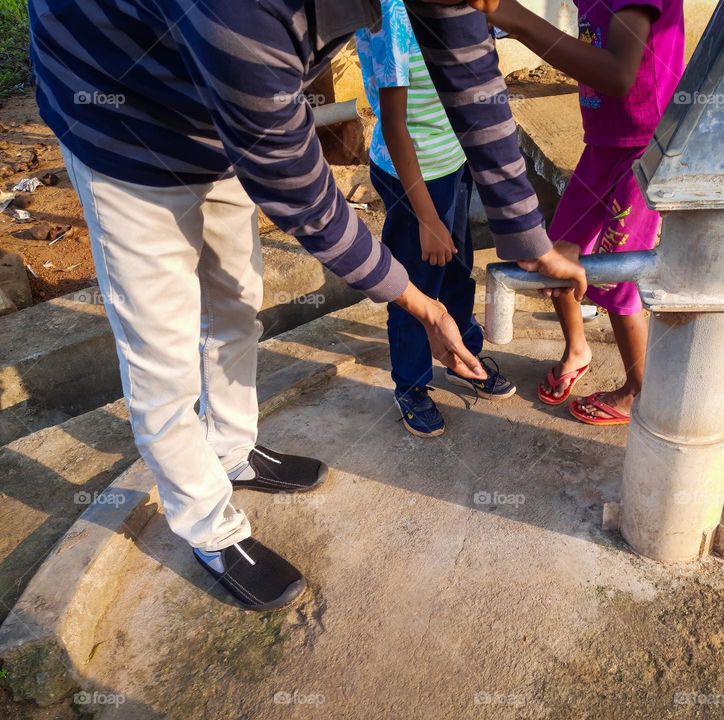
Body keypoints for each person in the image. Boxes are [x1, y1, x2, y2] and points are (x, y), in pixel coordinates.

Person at [27, 0, 582, 611]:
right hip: (119, 117)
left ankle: (232, 451)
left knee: (236, 304)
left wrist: (529, 240)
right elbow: (301, 192)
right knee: (161, 349)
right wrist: (421, 305)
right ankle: (208, 526)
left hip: (220, 102)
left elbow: (473, 79)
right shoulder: (245, 14)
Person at [479, 0, 685, 425]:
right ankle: (577, 349)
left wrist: (513, 17)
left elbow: (617, 73)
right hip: (604, 142)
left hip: (645, 147)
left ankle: (638, 390)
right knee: (554, 250)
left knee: (618, 276)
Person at [356, 0, 517, 439]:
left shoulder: (450, 7)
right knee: (414, 287)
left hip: (451, 163)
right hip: (413, 176)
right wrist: (427, 218)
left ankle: (462, 355)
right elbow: (394, 125)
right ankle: (410, 385)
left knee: (459, 269)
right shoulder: (392, 16)